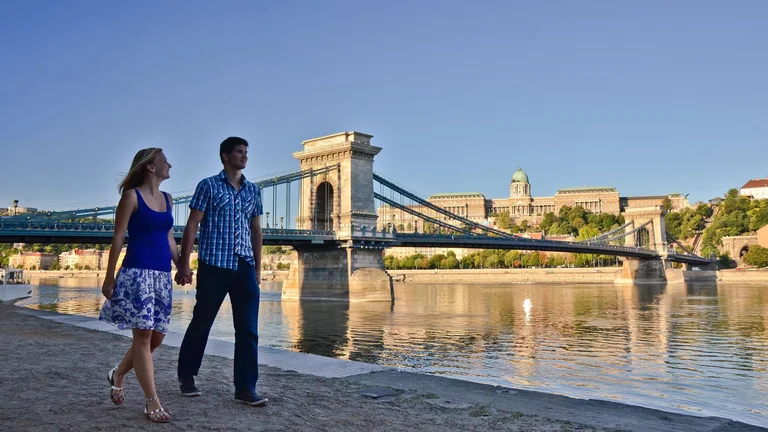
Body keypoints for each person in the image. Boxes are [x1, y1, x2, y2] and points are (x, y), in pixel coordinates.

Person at [175, 136, 266, 406]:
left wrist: (257, 268)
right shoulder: (209, 186)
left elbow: (256, 230)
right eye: (239, 152)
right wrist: (184, 262)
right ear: (225, 156)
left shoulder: (254, 191)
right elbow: (192, 225)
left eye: (246, 152)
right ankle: (187, 376)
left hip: (245, 266)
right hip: (214, 266)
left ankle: (245, 388)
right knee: (202, 323)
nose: (244, 156)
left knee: (248, 329)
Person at [99, 148, 177, 423]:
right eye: (164, 160)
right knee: (143, 338)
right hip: (136, 274)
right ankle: (151, 401)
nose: (170, 164)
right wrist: (109, 277)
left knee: (156, 338)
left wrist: (183, 265)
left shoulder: (169, 200)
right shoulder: (131, 197)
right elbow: (118, 237)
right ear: (150, 168)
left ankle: (118, 373)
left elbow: (169, 239)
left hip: (162, 276)